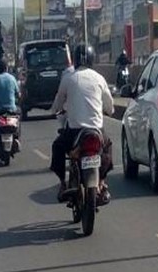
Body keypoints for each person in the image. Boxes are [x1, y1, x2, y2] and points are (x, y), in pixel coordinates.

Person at [49, 44, 115, 205]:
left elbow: (58, 103)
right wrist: (106, 110)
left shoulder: (69, 78)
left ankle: (63, 183)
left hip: (74, 132)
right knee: (108, 147)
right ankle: (102, 182)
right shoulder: (99, 78)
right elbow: (110, 108)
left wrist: (54, 110)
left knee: (57, 147)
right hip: (96, 131)